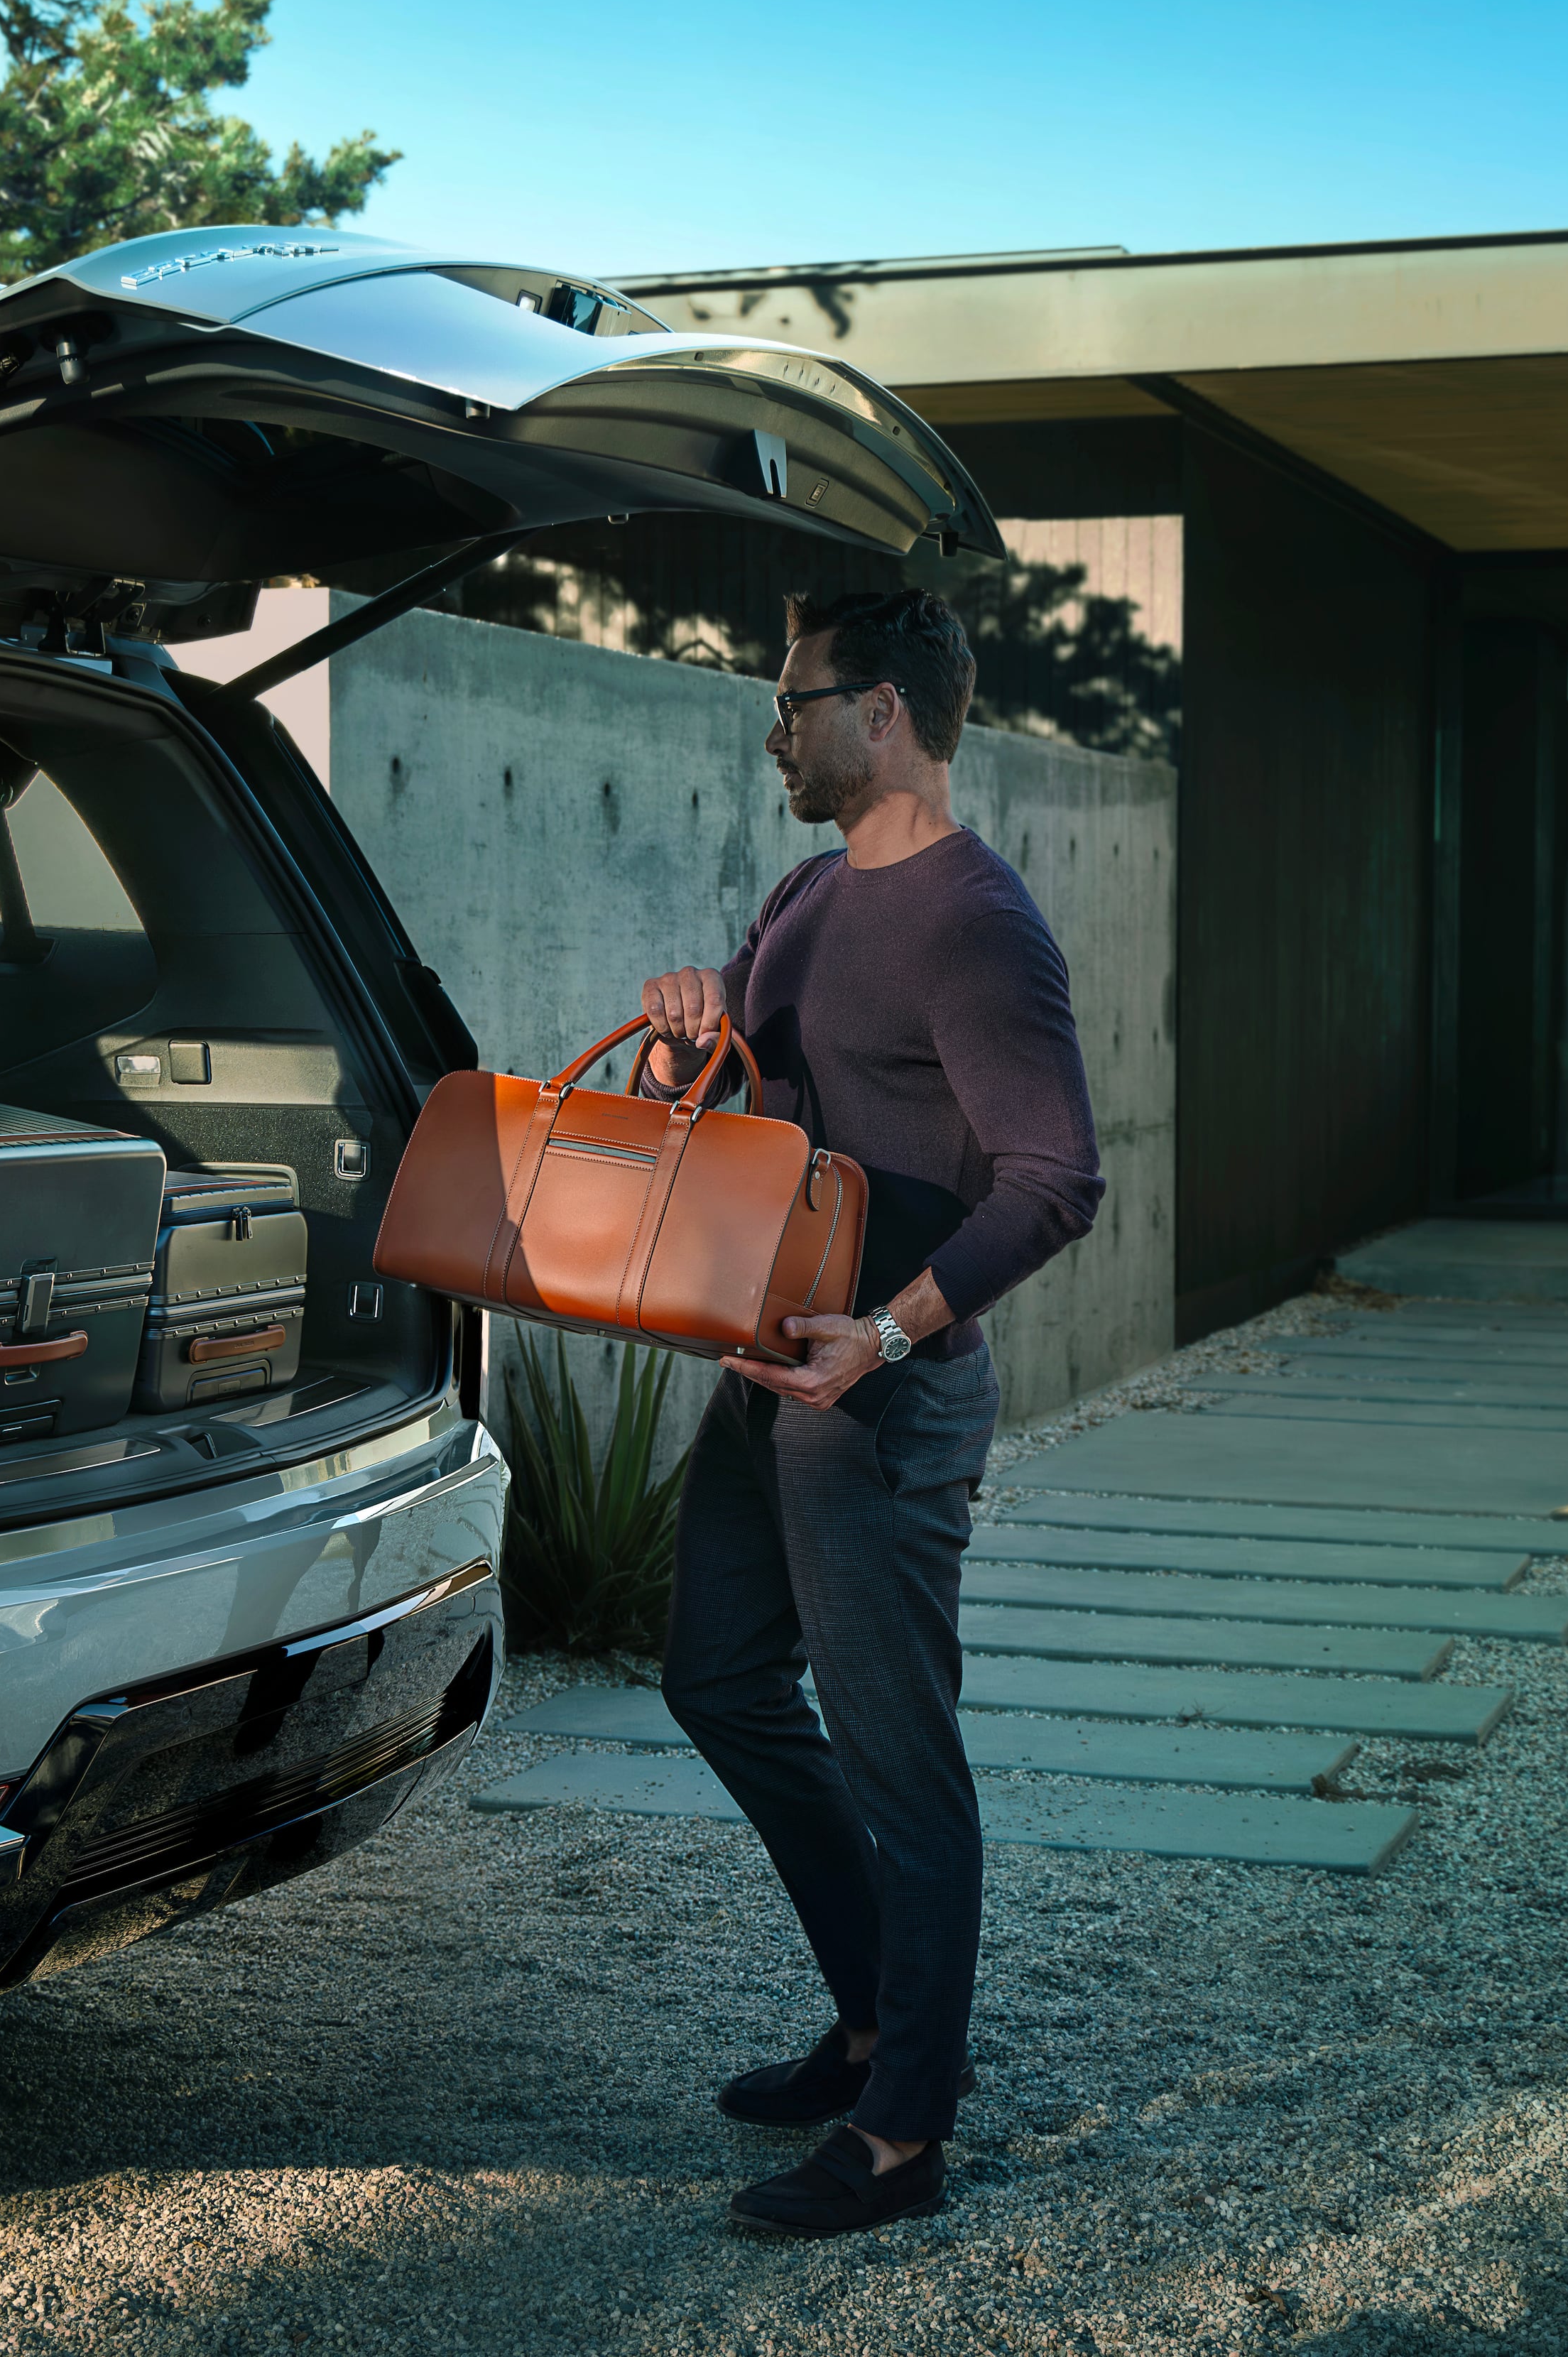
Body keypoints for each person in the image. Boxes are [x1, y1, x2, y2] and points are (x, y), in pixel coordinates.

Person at [638, 586, 1103, 2238]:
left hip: (876, 1399)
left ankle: (905, 2133)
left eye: (794, 701)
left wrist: (886, 1342)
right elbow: (735, 1115)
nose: (775, 730)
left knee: (902, 1766)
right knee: (715, 1680)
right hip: (766, 1375)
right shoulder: (808, 893)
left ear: (886, 711)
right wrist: (693, 1026)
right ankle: (869, 2023)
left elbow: (1058, 1180)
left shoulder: (978, 924)